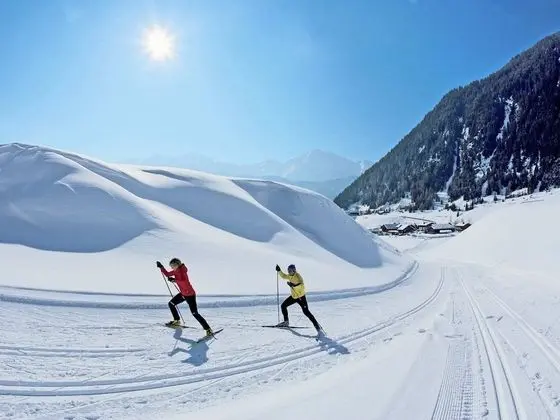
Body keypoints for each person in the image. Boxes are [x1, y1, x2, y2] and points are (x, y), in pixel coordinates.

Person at [157, 258, 213, 336]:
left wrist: (174, 280)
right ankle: (177, 320)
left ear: (177, 264)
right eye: (171, 266)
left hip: (190, 295)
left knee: (194, 313)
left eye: (173, 266)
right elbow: (167, 274)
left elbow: (184, 282)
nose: (172, 267)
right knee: (171, 303)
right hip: (183, 294)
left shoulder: (182, 271)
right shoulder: (175, 271)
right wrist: (161, 267)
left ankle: (208, 329)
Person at [275, 264, 322, 334]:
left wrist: (293, 285)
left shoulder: (298, 276)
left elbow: (301, 286)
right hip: (294, 296)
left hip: (301, 297)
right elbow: (284, 276)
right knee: (283, 306)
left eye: (290, 270)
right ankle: (286, 322)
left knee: (306, 312)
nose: (289, 272)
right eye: (288, 270)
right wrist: (279, 271)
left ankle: (317, 326)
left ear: (294, 270)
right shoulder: (290, 276)